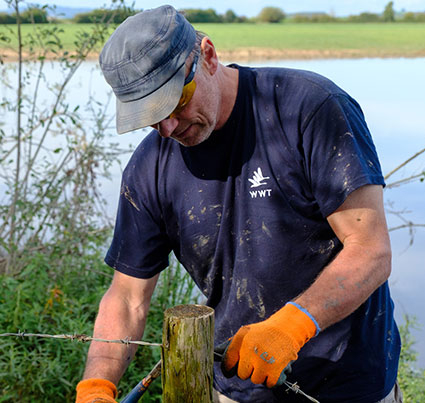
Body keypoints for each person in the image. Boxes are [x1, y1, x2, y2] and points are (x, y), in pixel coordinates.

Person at [76, 5, 401, 403]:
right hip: (234, 391)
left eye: (175, 102)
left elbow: (371, 251)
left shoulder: (308, 109)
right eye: (150, 116)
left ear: (207, 56)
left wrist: (294, 324)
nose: (168, 127)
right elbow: (127, 296)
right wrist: (97, 386)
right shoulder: (149, 168)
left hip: (347, 387)